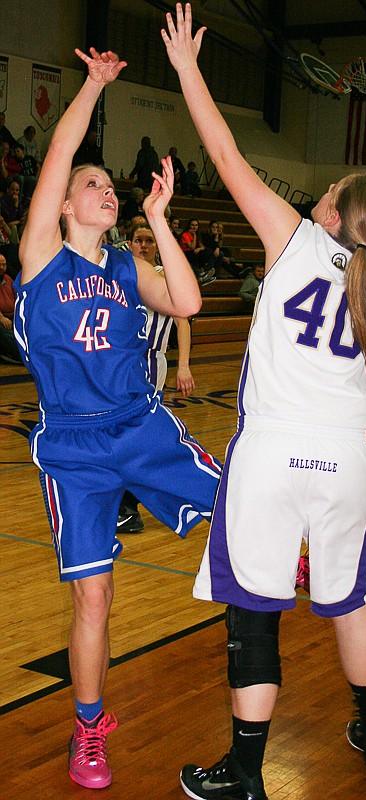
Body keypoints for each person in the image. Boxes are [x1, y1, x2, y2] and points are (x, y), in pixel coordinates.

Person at [162, 6, 366, 799]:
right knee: (351, 601)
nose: (320, 192)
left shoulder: (292, 235)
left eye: (328, 189)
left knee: (253, 612)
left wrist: (191, 69)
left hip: (271, 453)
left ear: (330, 213)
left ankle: (246, 773)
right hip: (348, 460)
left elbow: (223, 151)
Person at [13, 44, 221, 790]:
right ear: (66, 207)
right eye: (91, 185)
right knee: (93, 594)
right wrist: (95, 87)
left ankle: (266, 548)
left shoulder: (127, 268)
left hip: (138, 421)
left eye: (109, 185)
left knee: (235, 498)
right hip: (73, 447)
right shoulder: (42, 257)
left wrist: (160, 218)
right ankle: (88, 727)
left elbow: (190, 303)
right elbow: (61, 153)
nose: (105, 189)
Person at [118, 222, 196, 534]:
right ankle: (124, 504)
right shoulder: (117, 274)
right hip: (126, 363)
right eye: (139, 240)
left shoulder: (165, 276)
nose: (145, 245)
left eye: (150, 240)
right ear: (130, 242)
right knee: (130, 437)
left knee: (144, 437)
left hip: (155, 362)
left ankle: (129, 502)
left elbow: (183, 323)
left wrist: (185, 365)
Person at [0, 253, 22, 363]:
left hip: (13, 315)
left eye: (4, 265)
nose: (1, 268)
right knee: (6, 333)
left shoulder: (8, 279)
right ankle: (22, 356)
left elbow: (18, 297)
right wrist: (2, 318)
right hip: (2, 318)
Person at [179, 217, 215, 285]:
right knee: (196, 254)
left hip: (193, 253)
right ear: (189, 226)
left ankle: (205, 271)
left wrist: (199, 249)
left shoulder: (197, 235)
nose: (194, 227)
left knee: (209, 252)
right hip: (185, 254)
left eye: (196, 225)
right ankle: (203, 275)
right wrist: (194, 236)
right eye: (192, 225)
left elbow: (202, 247)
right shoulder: (185, 234)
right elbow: (192, 247)